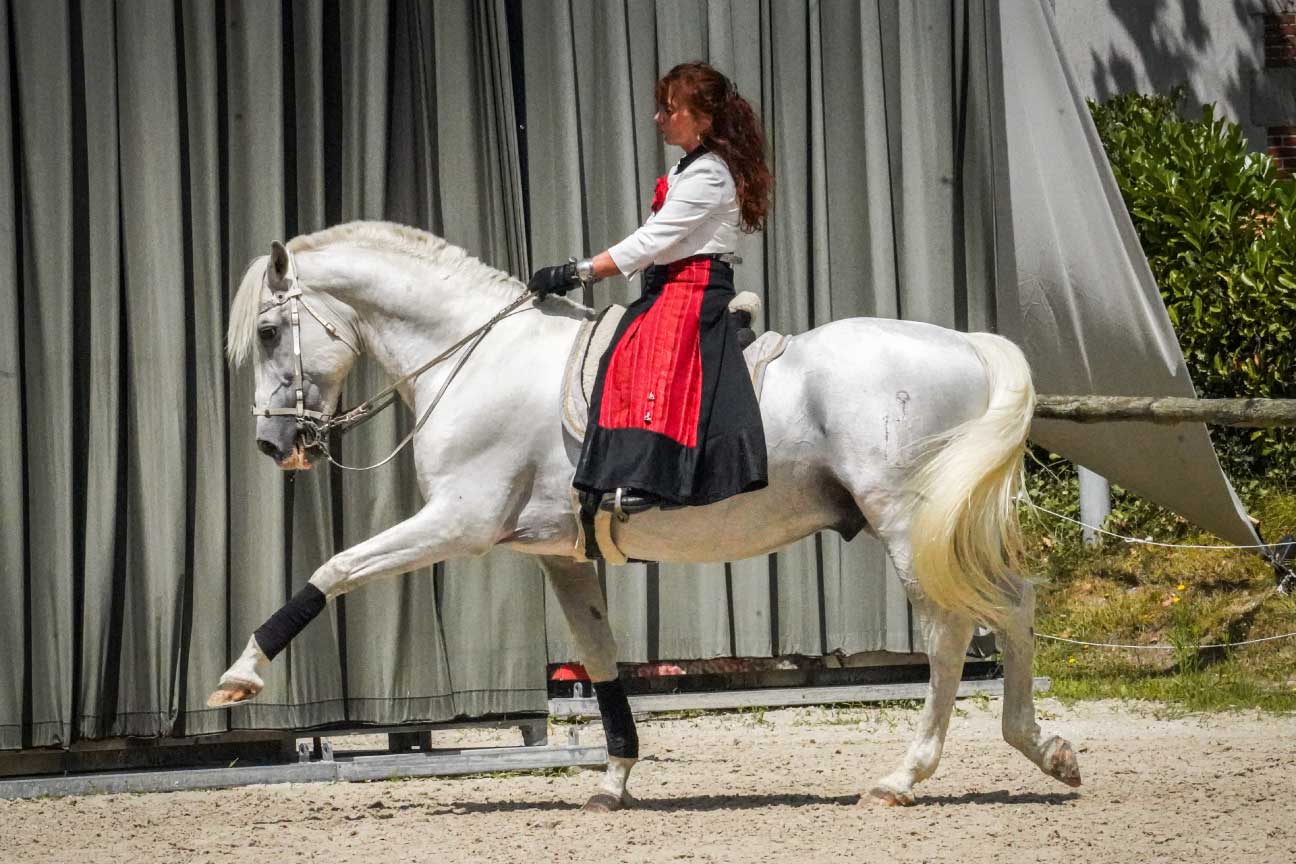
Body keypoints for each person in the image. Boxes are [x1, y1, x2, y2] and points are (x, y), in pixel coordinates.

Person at [528, 61, 771, 533]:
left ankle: (649, 476)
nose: (659, 118)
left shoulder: (710, 175)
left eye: (669, 109)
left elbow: (652, 241)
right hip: (670, 280)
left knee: (644, 350)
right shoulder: (688, 167)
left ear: (701, 119)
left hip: (693, 285)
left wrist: (579, 271)